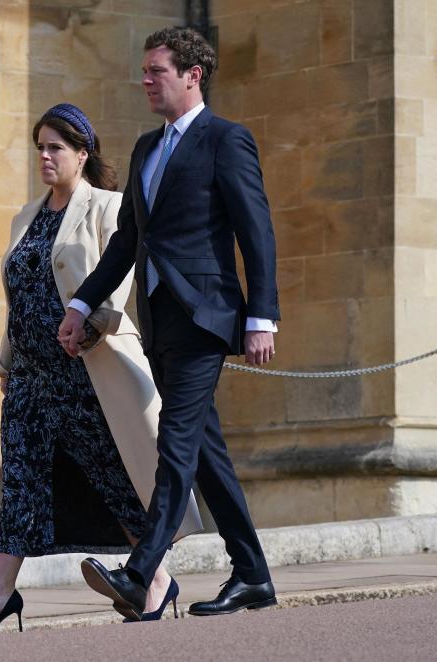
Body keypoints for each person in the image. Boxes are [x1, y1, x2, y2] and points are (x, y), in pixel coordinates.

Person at [0, 104, 203, 637]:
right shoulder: (26, 216)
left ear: (82, 153)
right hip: (28, 377)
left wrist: (98, 322)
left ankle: (156, 578)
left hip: (83, 368)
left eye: (55, 148)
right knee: (20, 483)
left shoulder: (107, 207)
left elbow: (118, 276)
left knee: (113, 477)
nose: (44, 156)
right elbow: (18, 293)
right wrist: (5, 359)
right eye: (39, 146)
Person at [58, 27, 280, 620]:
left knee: (176, 443)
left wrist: (262, 317)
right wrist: (81, 304)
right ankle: (253, 575)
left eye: (157, 70)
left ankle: (141, 573)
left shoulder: (226, 140)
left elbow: (256, 231)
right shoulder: (145, 149)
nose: (146, 80)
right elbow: (129, 240)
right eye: (145, 70)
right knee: (205, 452)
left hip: (206, 316)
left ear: (192, 74)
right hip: (160, 319)